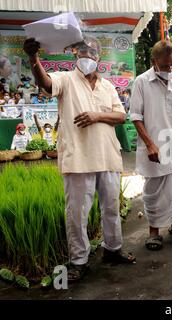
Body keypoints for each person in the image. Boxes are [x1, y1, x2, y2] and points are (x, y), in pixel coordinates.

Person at [23, 35, 136, 281]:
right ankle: (78, 261)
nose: (87, 56)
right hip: (78, 157)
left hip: (107, 156)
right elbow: (44, 83)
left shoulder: (107, 86)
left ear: (99, 57)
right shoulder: (65, 79)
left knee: (111, 208)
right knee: (76, 213)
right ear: (76, 55)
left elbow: (120, 116)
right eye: (82, 52)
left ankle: (113, 249)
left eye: (92, 52)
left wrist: (96, 116)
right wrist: (34, 58)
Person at [130, 40, 172, 251]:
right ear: (154, 61)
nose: (170, 69)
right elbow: (135, 116)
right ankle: (154, 231)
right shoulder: (141, 82)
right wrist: (150, 144)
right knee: (155, 190)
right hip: (155, 146)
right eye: (165, 65)